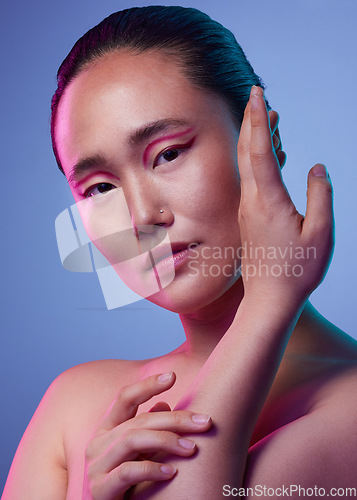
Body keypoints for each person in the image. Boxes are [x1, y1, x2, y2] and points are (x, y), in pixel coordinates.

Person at [3, 5, 357, 499]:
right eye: (100, 188)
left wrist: (271, 298)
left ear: (265, 141)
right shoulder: (74, 404)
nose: (141, 216)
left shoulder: (349, 404)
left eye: (168, 153)